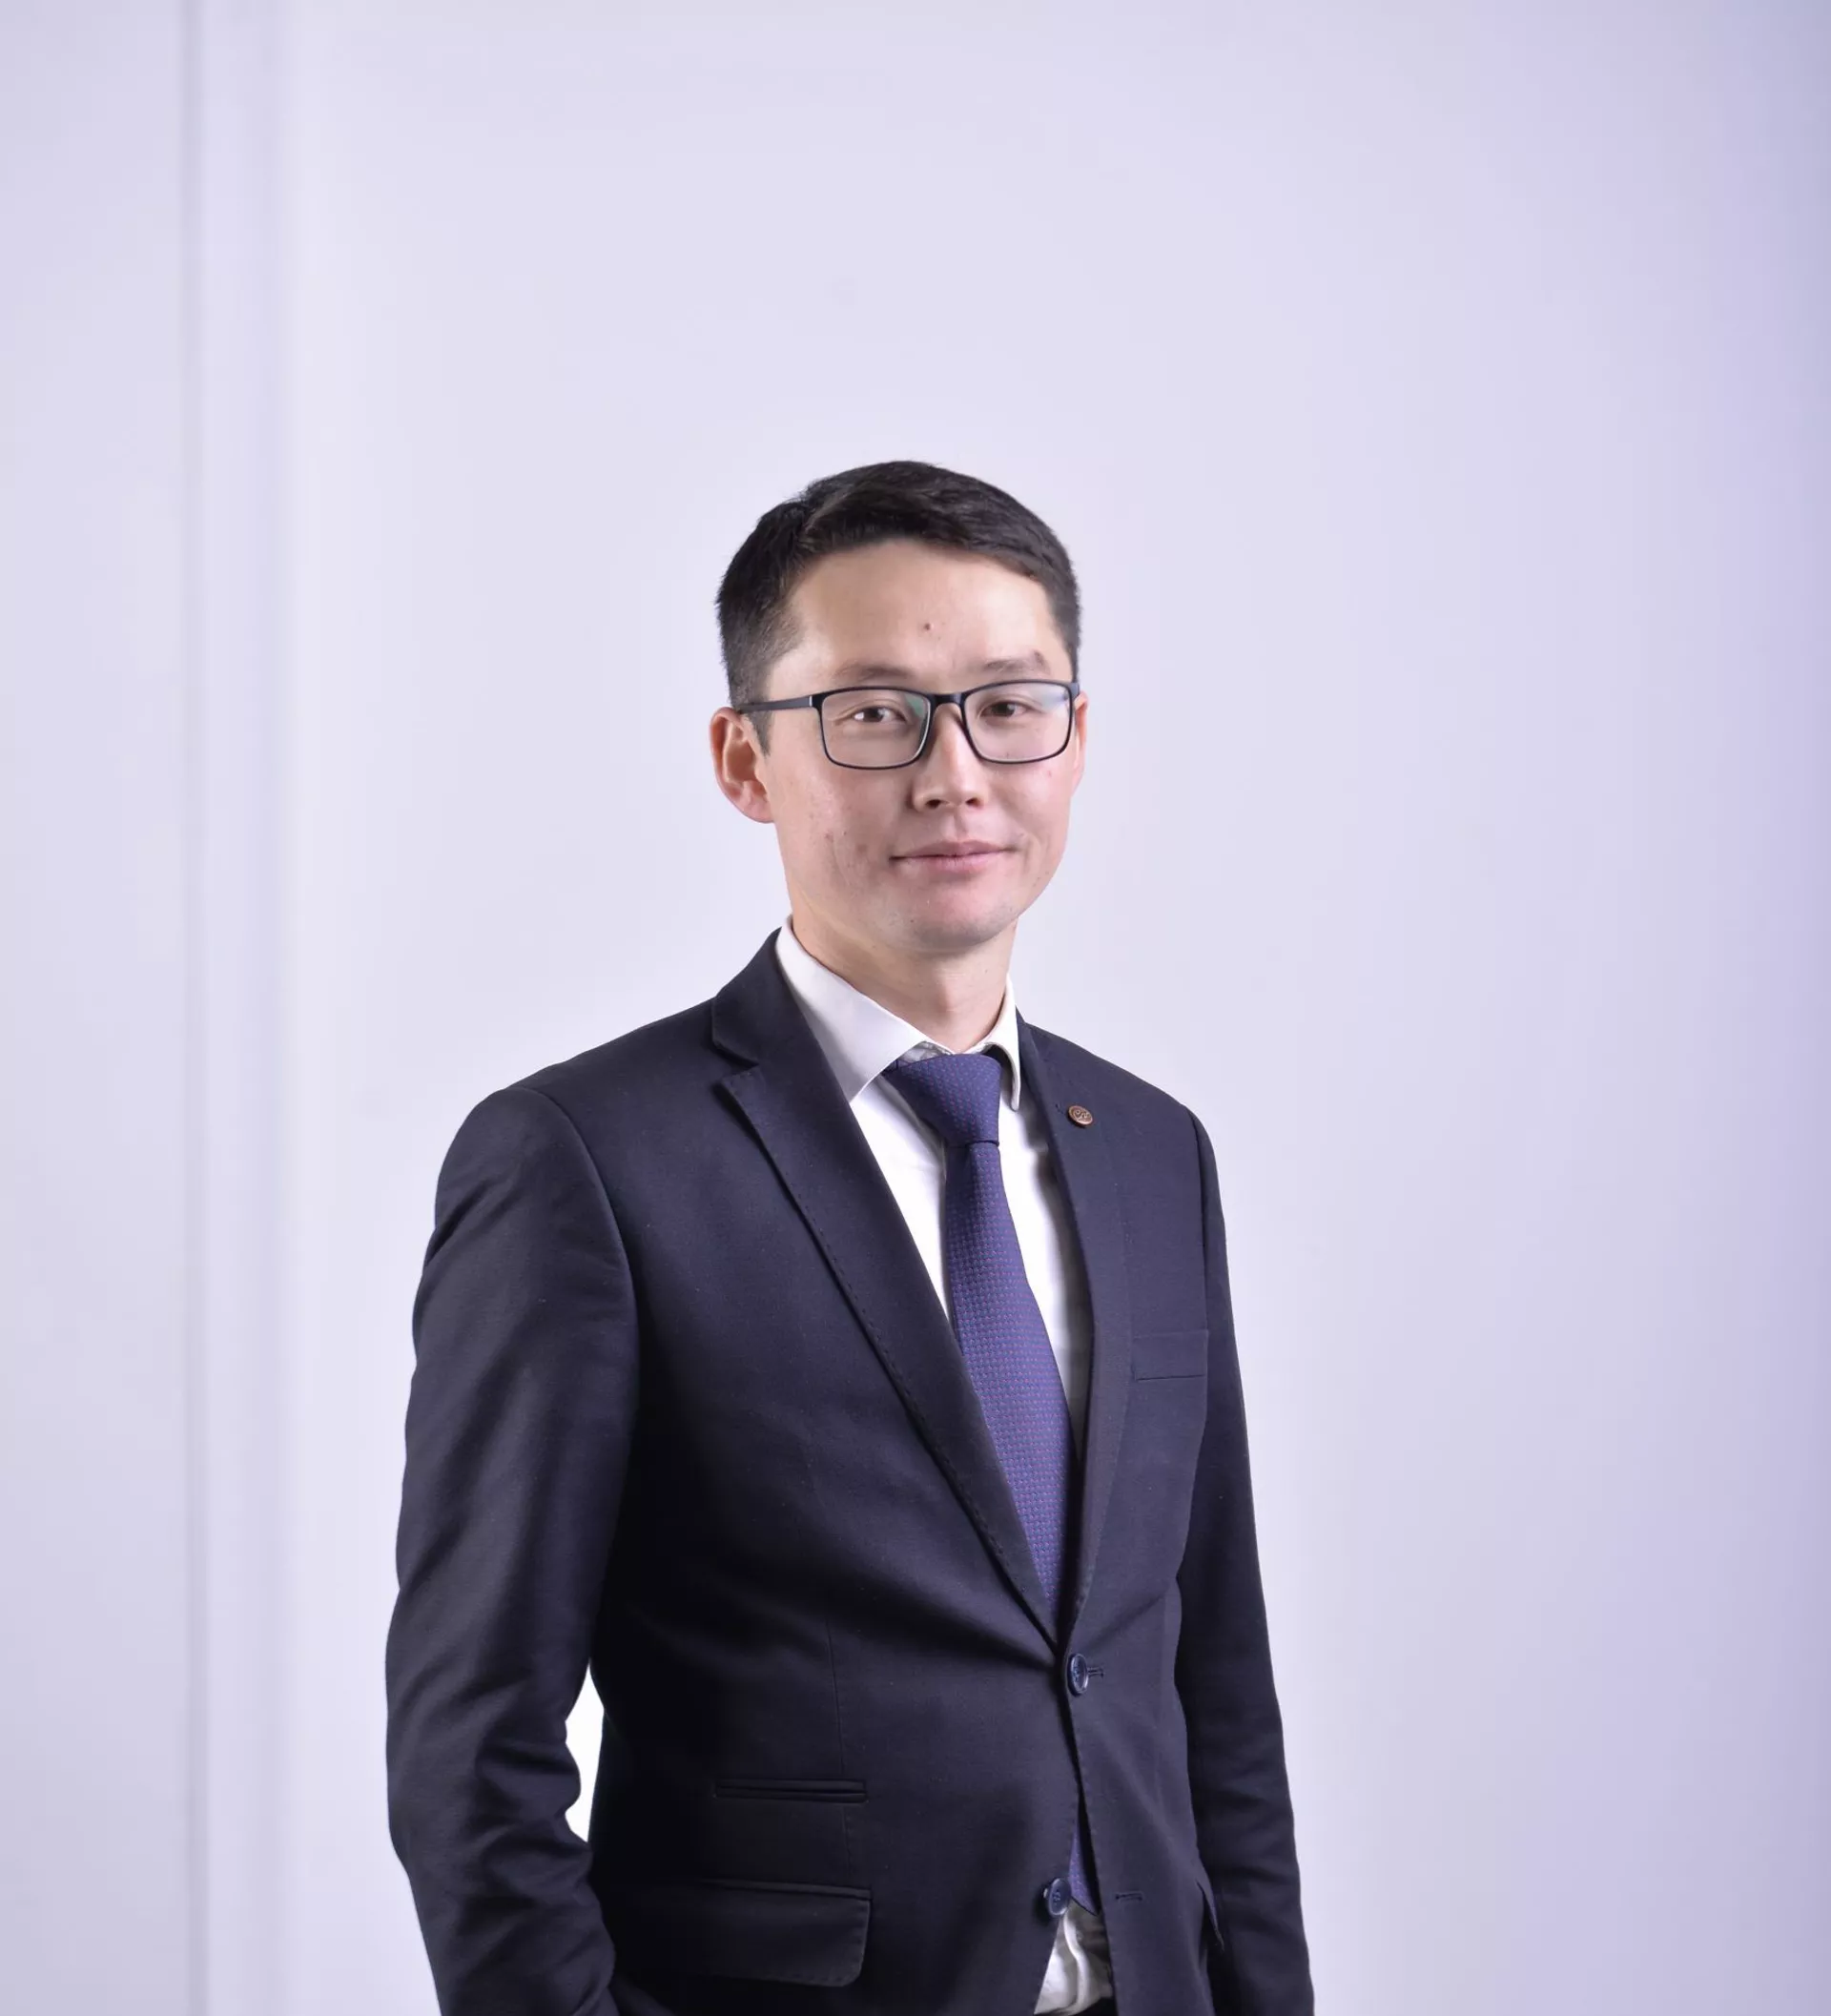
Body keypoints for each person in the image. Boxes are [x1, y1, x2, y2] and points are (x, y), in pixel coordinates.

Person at [384, 459, 1314, 2015]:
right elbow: (471, 1750)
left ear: (1076, 738)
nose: (955, 773)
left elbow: (1215, 1690)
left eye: (1007, 705)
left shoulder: (1156, 1156)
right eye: (874, 713)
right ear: (745, 759)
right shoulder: (586, 1164)